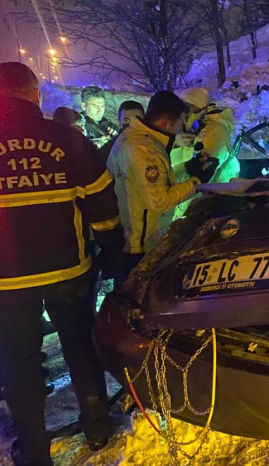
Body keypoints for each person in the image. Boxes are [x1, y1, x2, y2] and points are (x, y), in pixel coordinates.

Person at [0, 62, 124, 465]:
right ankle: (97, 426)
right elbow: (102, 205)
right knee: (78, 346)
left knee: (18, 360)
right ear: (35, 94)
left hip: (7, 283)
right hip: (69, 271)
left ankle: (34, 451)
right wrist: (111, 249)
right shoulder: (65, 138)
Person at [107, 91, 219, 277]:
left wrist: (188, 169)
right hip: (140, 245)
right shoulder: (145, 151)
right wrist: (197, 181)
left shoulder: (135, 135)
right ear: (167, 123)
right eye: (180, 123)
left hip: (129, 233)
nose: (182, 129)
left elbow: (152, 183)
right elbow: (159, 200)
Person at [180, 87, 240, 182]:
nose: (183, 110)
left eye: (188, 105)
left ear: (200, 107)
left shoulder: (213, 129)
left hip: (216, 189)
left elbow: (200, 171)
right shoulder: (198, 124)